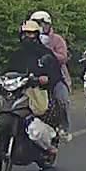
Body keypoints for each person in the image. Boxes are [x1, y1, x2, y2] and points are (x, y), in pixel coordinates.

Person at [4, 19, 64, 147]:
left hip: (38, 90)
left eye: (31, 33)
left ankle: (50, 140)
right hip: (18, 90)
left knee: (44, 108)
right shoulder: (17, 54)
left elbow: (55, 74)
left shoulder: (45, 54)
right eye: (26, 33)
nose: (28, 37)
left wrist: (46, 79)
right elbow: (7, 70)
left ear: (37, 35)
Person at [30, 10, 70, 138]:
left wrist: (49, 52)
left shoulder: (57, 39)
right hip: (35, 76)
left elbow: (63, 57)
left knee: (62, 99)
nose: (40, 26)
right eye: (36, 23)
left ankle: (63, 127)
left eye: (42, 23)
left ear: (48, 24)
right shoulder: (30, 41)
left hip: (56, 76)